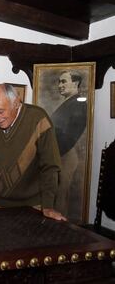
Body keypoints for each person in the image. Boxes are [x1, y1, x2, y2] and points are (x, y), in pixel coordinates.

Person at [0, 83, 66, 221]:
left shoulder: (38, 119)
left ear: (16, 103)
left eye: (0, 111)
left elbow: (50, 166)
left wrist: (48, 206)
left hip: (31, 207)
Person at [51, 71, 87, 216]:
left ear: (76, 83)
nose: (60, 85)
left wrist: (53, 153)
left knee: (60, 195)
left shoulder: (79, 104)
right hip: (59, 153)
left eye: (64, 81)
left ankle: (59, 231)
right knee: (55, 194)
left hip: (65, 154)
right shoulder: (68, 103)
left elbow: (71, 136)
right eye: (59, 82)